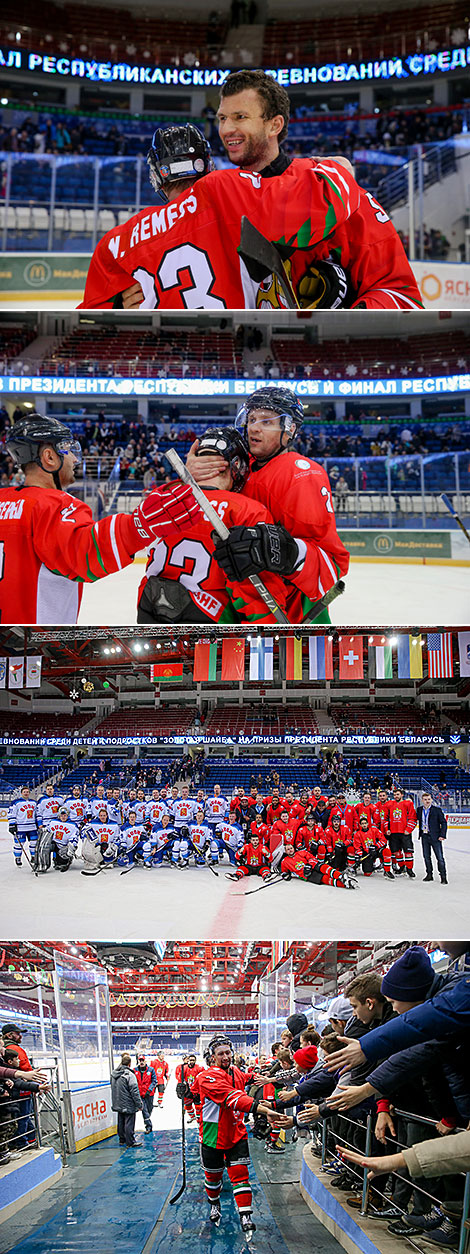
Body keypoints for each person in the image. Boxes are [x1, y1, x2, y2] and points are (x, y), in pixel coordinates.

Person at [0, 414, 202, 624]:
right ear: (49, 457)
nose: (75, 459)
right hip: (34, 640)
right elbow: (84, 553)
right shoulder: (53, 505)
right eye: (68, 449)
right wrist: (138, 527)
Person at [187, 386, 349, 623]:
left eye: (266, 421)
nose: (254, 427)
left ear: (289, 429)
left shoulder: (301, 475)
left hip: (289, 612)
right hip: (240, 601)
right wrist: (194, 469)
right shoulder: (241, 464)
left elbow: (332, 565)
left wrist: (285, 552)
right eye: (252, 419)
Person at [137, 426, 287, 623]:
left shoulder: (163, 499)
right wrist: (270, 625)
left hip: (150, 606)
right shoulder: (247, 510)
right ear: (237, 466)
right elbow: (257, 591)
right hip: (210, 616)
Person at [190, 1034, 273, 1234]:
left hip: (236, 1133)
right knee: (213, 1178)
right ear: (212, 1057)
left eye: (228, 1052)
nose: (226, 1056)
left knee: (240, 1175)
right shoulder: (206, 1077)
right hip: (212, 1136)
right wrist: (264, 1110)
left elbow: (247, 1078)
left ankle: (246, 1215)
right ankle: (214, 1204)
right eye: (221, 1054)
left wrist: (265, 1077)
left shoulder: (236, 1071)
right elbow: (232, 1097)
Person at [111, 1052, 143, 1147]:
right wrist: (139, 1104)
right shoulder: (129, 1075)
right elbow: (134, 1091)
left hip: (118, 1102)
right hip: (128, 1103)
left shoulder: (114, 1074)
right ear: (130, 1064)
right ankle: (130, 1142)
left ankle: (122, 1139)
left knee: (121, 1121)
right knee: (129, 1123)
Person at [416, 791, 448, 884]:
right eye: (425, 799)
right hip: (424, 836)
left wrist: (442, 835)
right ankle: (429, 874)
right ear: (422, 800)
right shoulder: (419, 810)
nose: (427, 801)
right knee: (426, 857)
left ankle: (443, 876)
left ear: (431, 800)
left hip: (435, 836)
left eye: (429, 799)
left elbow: (444, 822)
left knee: (440, 857)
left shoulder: (436, 810)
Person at [134, 1054, 157, 1133]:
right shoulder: (135, 1070)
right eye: (140, 1061)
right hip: (140, 1095)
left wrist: (149, 1090)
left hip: (149, 1094)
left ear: (145, 1061)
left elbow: (154, 1081)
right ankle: (148, 1126)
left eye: (142, 1060)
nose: (141, 1062)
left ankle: (147, 1119)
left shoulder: (151, 1070)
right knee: (144, 1110)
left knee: (149, 1109)